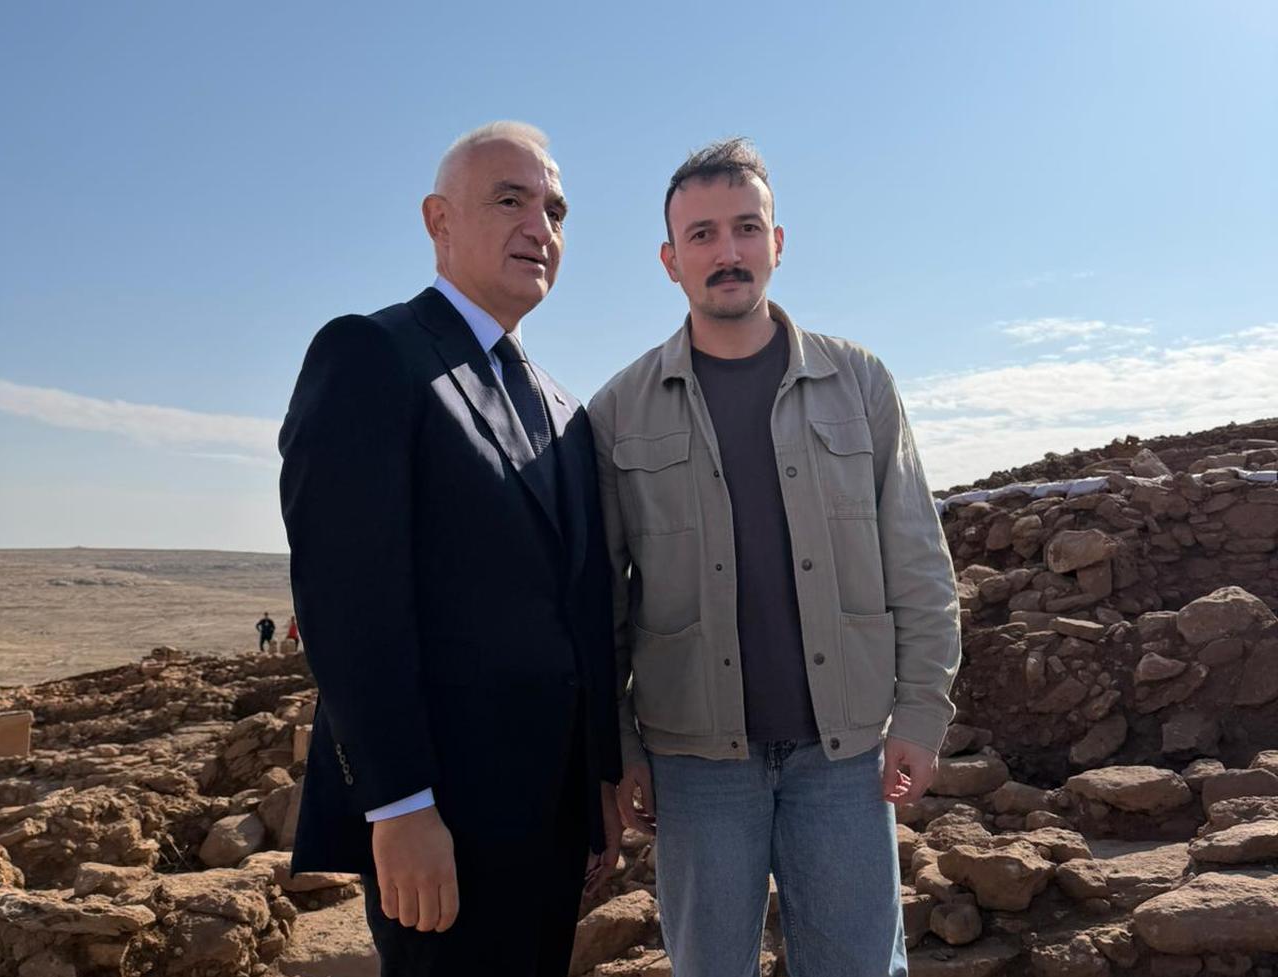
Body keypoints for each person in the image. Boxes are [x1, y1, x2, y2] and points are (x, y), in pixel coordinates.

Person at [587, 139, 961, 977]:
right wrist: (622, 747)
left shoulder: (859, 384)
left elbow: (918, 561)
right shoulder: (619, 412)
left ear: (777, 242)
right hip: (694, 764)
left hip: (844, 755)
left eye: (746, 228)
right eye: (703, 235)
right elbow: (603, 606)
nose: (728, 252)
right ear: (669, 260)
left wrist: (923, 713)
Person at [279, 121, 622, 977]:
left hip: (552, 819)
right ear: (438, 220)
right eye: (510, 199)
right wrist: (398, 805)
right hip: (441, 819)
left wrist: (602, 780)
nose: (538, 227)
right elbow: (348, 600)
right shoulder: (373, 355)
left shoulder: (565, 411)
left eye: (555, 209)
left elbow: (585, 604)